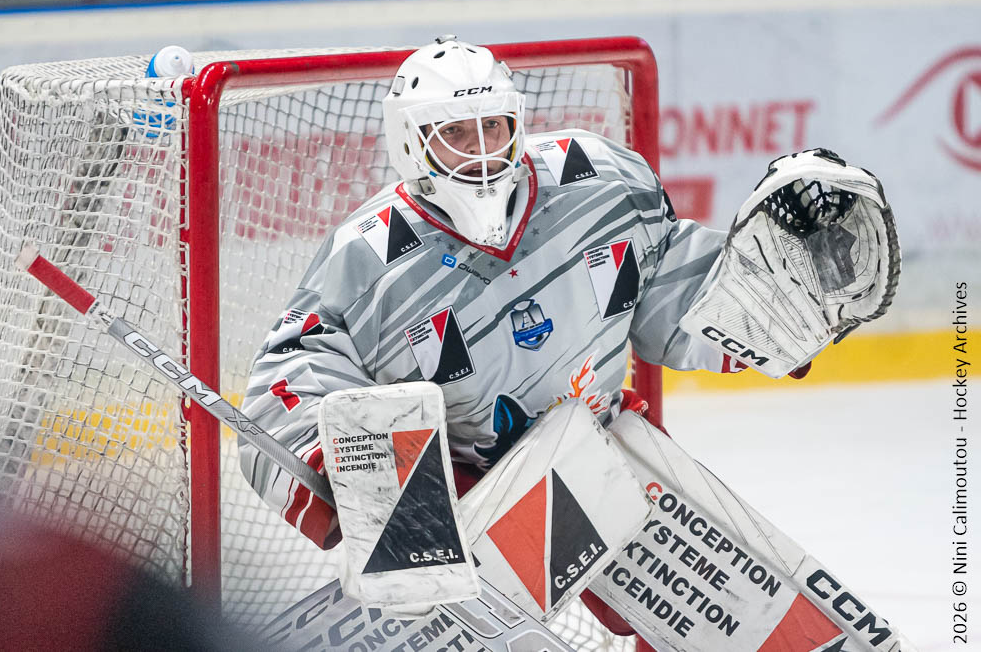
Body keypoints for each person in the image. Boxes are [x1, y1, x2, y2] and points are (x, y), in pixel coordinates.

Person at [239, 36, 892, 650]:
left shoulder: (600, 181)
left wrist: (777, 302)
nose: (484, 148)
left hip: (602, 450)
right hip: (470, 498)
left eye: (493, 126)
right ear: (414, 144)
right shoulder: (369, 254)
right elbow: (293, 369)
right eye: (458, 134)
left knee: (758, 611)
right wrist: (372, 481)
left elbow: (673, 294)